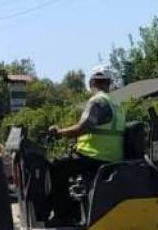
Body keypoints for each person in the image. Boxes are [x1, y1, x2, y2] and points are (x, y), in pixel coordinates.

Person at [46, 66, 126, 220]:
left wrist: (59, 132)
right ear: (108, 83)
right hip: (112, 156)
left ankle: (64, 215)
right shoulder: (116, 103)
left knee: (56, 167)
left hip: (94, 157)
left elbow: (85, 126)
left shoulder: (98, 101)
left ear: (92, 82)